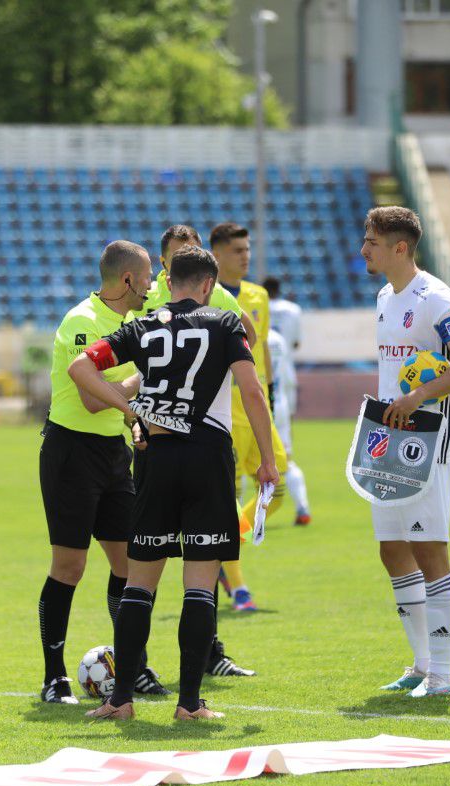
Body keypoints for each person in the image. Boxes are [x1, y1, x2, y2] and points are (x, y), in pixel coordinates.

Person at [69, 245, 279, 721]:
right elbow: (251, 389)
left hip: (156, 459)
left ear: (168, 281)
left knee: (139, 585)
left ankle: (120, 700)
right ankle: (189, 705)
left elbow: (80, 368)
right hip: (207, 458)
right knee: (200, 585)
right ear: (208, 285)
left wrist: (130, 409)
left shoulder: (142, 327)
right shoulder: (224, 323)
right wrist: (267, 460)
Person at [37, 240, 168, 704]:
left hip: (114, 453)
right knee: (69, 566)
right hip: (72, 452)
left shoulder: (133, 322)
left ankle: (134, 665)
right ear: (127, 279)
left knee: (131, 564)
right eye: (146, 276)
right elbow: (92, 400)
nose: (150, 285)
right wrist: (140, 381)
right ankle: (54, 677)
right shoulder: (83, 321)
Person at [363, 206, 450, 698]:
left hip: (429, 443)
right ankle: (420, 665)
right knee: (392, 550)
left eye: (372, 241)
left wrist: (418, 396)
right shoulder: (384, 297)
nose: (363, 249)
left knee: (430, 550)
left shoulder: (437, 298)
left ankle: (442, 675)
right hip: (386, 441)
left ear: (400, 247)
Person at [135, 224, 256, 675]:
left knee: (202, 557)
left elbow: (249, 339)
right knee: (144, 565)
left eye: (193, 250)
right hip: (155, 440)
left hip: (206, 435)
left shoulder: (216, 296)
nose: (187, 257)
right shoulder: (147, 300)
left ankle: (210, 655)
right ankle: (138, 667)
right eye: (177, 253)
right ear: (163, 264)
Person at [208, 222, 288, 613]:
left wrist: (269, 393)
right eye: (237, 250)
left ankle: (224, 547)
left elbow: (263, 349)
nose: (245, 256)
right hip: (223, 412)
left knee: (278, 489)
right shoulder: (207, 296)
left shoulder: (258, 295)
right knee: (226, 497)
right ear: (217, 254)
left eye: (247, 249)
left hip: (256, 409)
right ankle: (239, 588)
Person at [262, 277, 311, 525]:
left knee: (237, 463)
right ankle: (302, 507)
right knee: (286, 458)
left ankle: (239, 518)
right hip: (282, 396)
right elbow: (297, 344)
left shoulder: (248, 335)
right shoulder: (289, 317)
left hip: (252, 402)